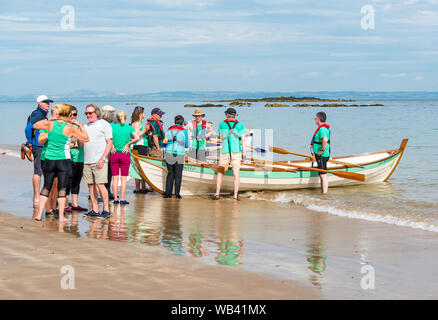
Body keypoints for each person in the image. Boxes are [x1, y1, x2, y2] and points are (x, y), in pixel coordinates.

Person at [33, 104, 89, 222]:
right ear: (69, 114)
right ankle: (62, 216)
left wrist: (50, 119)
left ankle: (39, 215)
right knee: (62, 188)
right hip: (63, 160)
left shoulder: (50, 124)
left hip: (49, 159)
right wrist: (80, 126)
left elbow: (35, 125)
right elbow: (85, 138)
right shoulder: (70, 127)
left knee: (46, 186)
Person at [82, 103, 113, 218]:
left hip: (100, 160)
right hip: (87, 160)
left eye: (90, 113)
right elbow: (81, 142)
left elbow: (109, 143)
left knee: (100, 185)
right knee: (90, 186)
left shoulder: (104, 124)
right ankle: (94, 209)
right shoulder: (85, 126)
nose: (88, 115)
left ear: (96, 113)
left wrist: (103, 158)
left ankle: (106, 209)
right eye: (86, 113)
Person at [212, 108, 246, 201]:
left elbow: (221, 137)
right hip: (236, 151)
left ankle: (217, 194)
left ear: (227, 115)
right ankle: (235, 195)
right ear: (235, 116)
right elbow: (243, 140)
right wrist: (244, 154)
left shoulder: (222, 124)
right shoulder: (240, 125)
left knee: (220, 172)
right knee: (236, 173)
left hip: (225, 150)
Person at [25, 95, 52, 208]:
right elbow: (28, 128)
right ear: (39, 103)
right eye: (45, 102)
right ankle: (36, 197)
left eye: (48, 102)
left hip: (42, 145)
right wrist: (30, 142)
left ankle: (42, 196)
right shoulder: (37, 113)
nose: (48, 104)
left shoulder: (42, 114)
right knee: (38, 171)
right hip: (38, 145)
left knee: (44, 171)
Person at [110, 110, 139, 204]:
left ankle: (115, 199)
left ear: (116, 118)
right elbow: (137, 138)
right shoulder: (129, 128)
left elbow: (105, 137)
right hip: (125, 154)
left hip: (114, 154)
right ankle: (122, 198)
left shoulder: (112, 127)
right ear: (125, 118)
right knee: (123, 178)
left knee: (115, 178)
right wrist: (128, 144)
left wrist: (111, 146)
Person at [38, 105, 60, 217]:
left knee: (56, 185)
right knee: (49, 184)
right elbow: (40, 140)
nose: (58, 117)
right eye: (56, 115)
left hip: (59, 158)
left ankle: (53, 207)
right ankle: (48, 210)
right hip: (46, 158)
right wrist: (49, 132)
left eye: (60, 115)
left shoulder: (62, 126)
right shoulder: (46, 125)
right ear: (52, 115)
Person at [67, 106, 88, 211]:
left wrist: (79, 128)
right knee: (67, 181)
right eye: (70, 115)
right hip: (68, 158)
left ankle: (75, 204)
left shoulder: (80, 126)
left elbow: (81, 143)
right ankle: (65, 204)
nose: (72, 117)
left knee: (76, 181)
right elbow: (68, 144)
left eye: (74, 114)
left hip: (79, 157)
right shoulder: (65, 127)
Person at [163, 115, 189, 199]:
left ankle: (167, 194)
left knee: (170, 173)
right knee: (178, 174)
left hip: (168, 152)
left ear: (174, 121)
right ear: (182, 122)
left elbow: (166, 140)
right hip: (179, 153)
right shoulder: (184, 131)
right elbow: (186, 145)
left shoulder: (169, 129)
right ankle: (177, 194)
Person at [130, 106, 152, 193]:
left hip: (143, 145)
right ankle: (138, 188)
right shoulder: (136, 123)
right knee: (138, 167)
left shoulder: (140, 122)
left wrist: (147, 132)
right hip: (139, 146)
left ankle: (143, 187)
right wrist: (145, 129)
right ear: (140, 113)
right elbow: (137, 136)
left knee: (142, 167)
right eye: (143, 113)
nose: (144, 114)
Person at [310, 111, 331, 194]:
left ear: (318, 120)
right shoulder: (322, 128)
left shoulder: (322, 129)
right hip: (320, 155)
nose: (314, 120)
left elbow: (325, 140)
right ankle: (323, 192)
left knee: (323, 175)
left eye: (315, 118)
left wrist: (322, 150)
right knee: (321, 174)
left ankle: (324, 194)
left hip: (322, 155)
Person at [101, 105, 116, 200]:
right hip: (109, 151)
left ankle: (99, 191)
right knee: (108, 172)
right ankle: (107, 190)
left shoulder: (99, 124)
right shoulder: (113, 125)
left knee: (101, 171)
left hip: (100, 151)